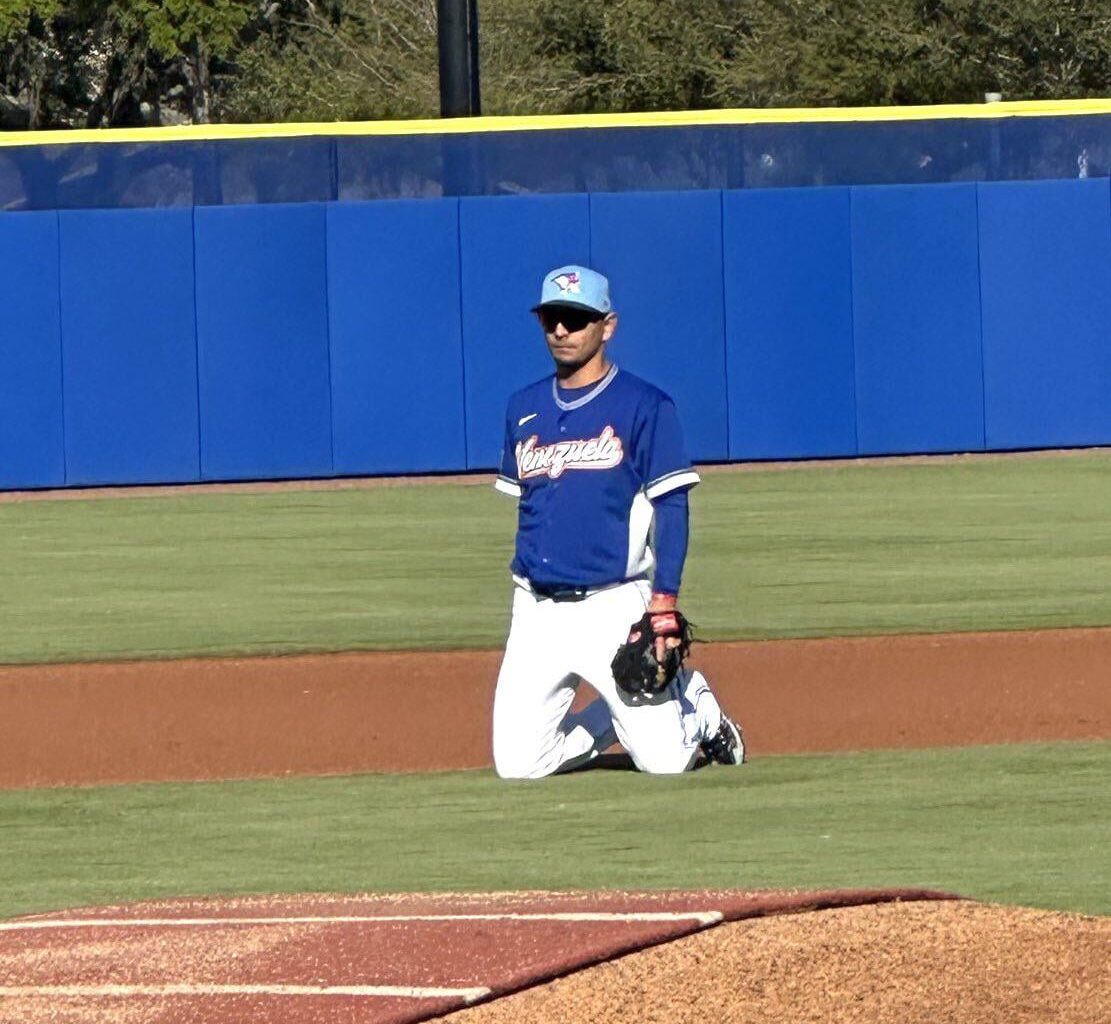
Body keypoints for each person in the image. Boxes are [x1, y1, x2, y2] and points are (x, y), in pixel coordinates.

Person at [491, 263, 745, 779]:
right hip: (536, 611)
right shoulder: (524, 408)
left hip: (611, 605)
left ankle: (694, 706)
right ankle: (620, 714)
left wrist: (665, 602)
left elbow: (672, 505)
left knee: (667, 764)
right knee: (518, 766)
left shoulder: (645, 406)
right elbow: (532, 511)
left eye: (576, 318)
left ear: (607, 326)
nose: (561, 330)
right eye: (552, 318)